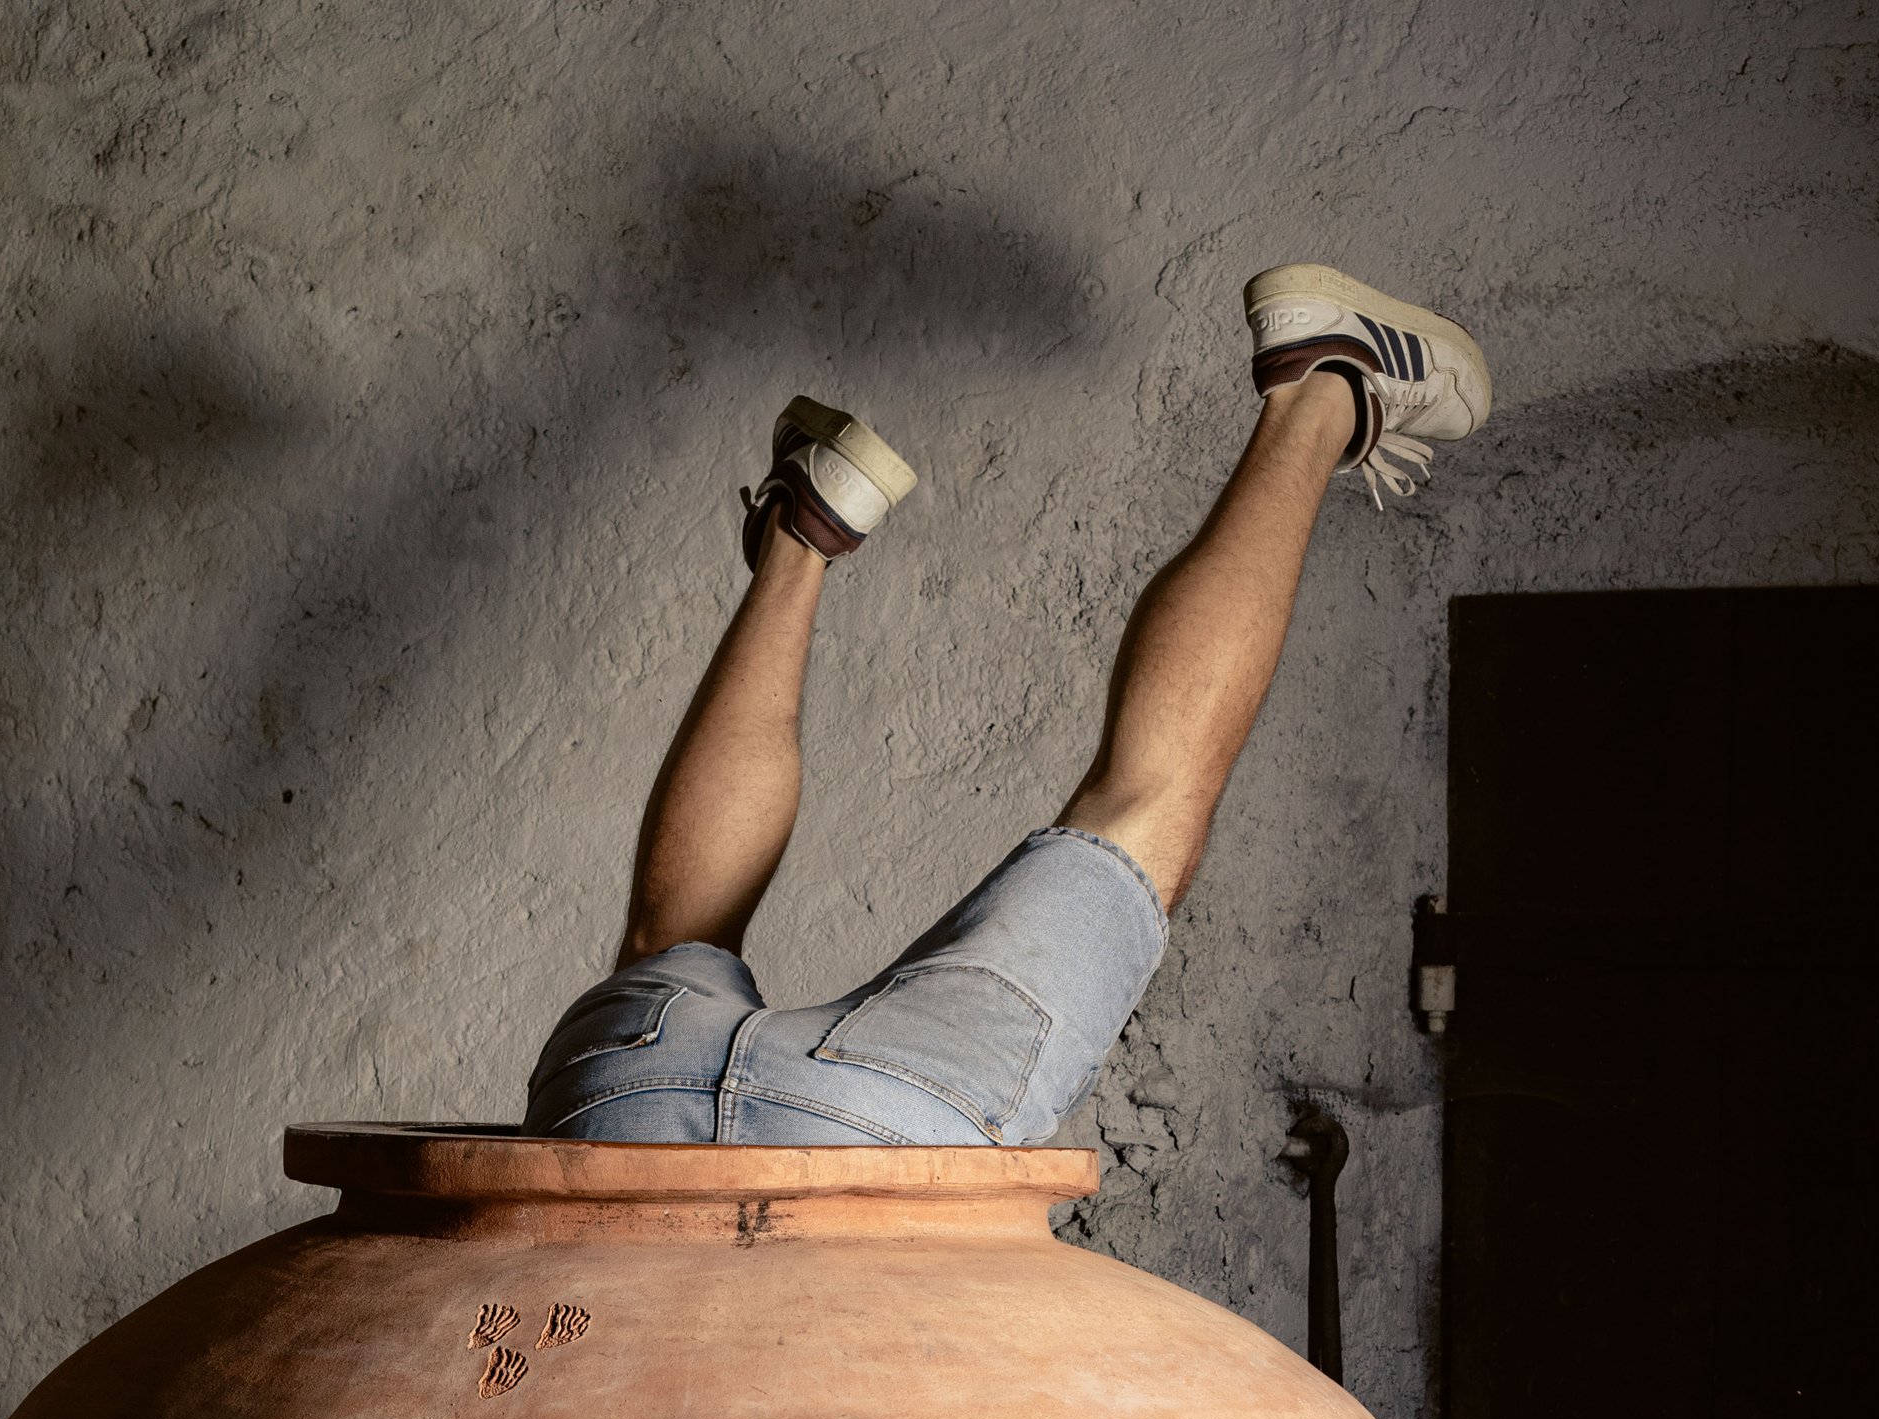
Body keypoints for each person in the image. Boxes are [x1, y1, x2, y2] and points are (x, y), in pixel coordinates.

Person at [524, 264, 1491, 1149]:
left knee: (1142, 807)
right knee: (670, 943)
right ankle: (799, 531)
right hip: (629, 1094)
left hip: (871, 1126)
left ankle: (1323, 388)